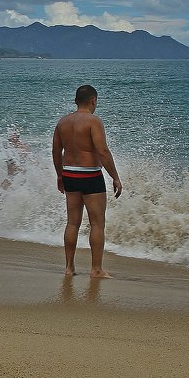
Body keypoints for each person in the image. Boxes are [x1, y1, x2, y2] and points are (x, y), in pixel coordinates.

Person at [52, 85, 122, 278]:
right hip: (90, 175)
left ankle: (69, 268)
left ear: (76, 101)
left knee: (72, 223)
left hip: (70, 175)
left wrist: (60, 175)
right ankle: (96, 269)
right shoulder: (93, 121)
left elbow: (56, 152)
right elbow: (102, 151)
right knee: (97, 224)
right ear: (93, 101)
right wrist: (115, 176)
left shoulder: (62, 122)